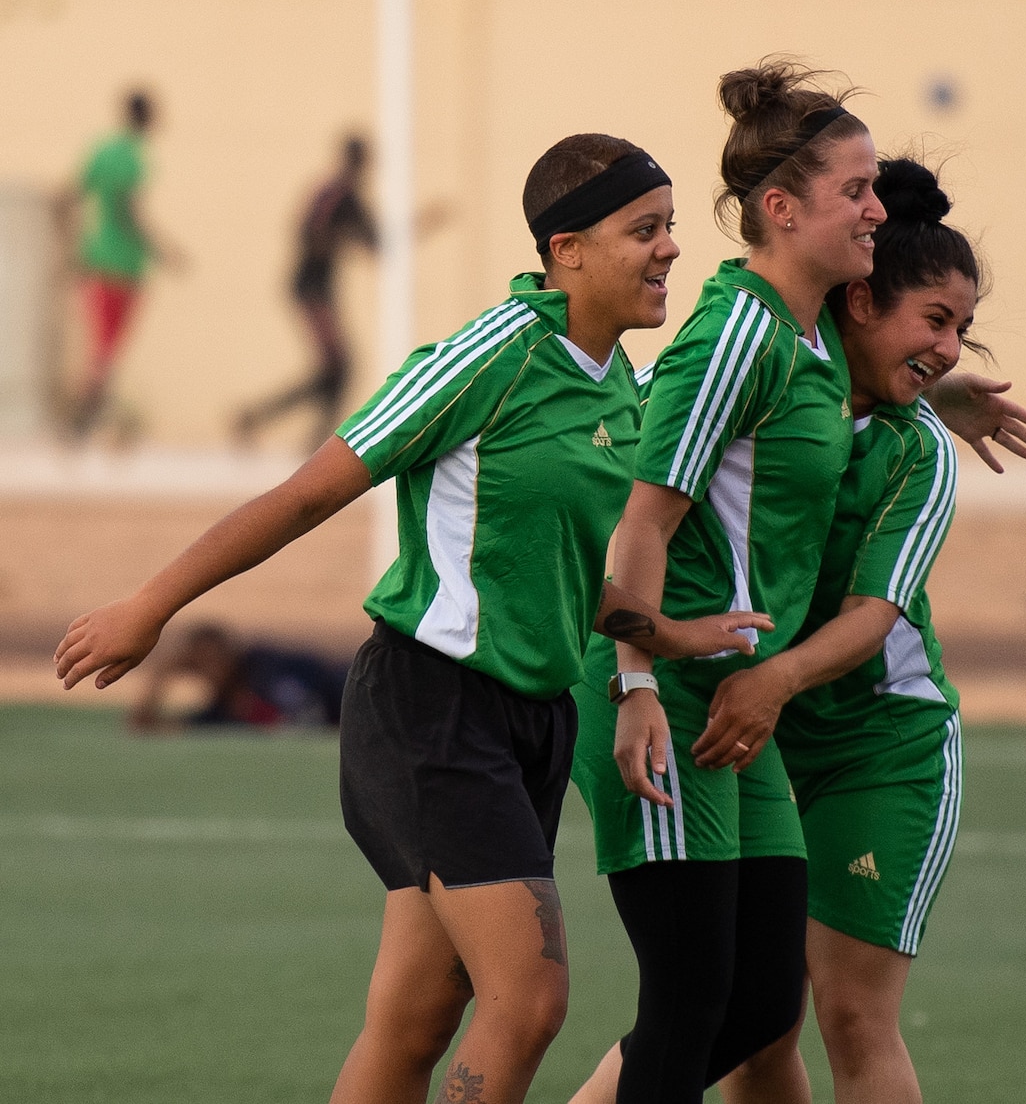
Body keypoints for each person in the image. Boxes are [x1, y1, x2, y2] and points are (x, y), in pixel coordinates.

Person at [55, 131, 774, 1104]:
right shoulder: (492, 355)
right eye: (643, 229)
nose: (669, 250)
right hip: (431, 708)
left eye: (670, 228)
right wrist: (151, 603)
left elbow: (546, 568)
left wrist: (657, 635)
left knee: (413, 1021)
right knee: (528, 998)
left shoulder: (619, 383)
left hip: (533, 721)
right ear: (565, 246)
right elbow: (309, 492)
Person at [568, 65, 1026, 1104]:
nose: (875, 205)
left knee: (761, 1008)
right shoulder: (747, 332)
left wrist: (930, 378)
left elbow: (868, 596)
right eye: (856, 189)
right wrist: (636, 681)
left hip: (801, 718)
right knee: (704, 1001)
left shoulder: (821, 357)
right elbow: (642, 515)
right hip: (681, 692)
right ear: (784, 209)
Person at [702, 156, 981, 1104]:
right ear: (858, 303)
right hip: (766, 740)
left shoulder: (919, 453)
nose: (949, 350)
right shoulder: (778, 390)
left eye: (961, 332)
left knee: (853, 1014)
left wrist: (772, 681)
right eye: (935, 323)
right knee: (753, 1020)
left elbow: (872, 617)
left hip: (879, 747)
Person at [236, 134, 379, 446]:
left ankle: (261, 418)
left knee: (334, 371)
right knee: (338, 369)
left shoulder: (349, 199)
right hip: (311, 287)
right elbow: (310, 236)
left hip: (320, 289)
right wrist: (344, 236)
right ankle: (317, 443)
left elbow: (376, 243)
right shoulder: (333, 194)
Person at [55, 88, 180, 438]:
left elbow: (68, 197)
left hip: (97, 260)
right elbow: (130, 212)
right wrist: (164, 250)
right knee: (106, 351)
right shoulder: (133, 159)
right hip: (123, 266)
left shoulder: (102, 151)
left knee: (104, 350)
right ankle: (81, 421)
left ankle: (88, 420)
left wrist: (72, 250)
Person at [125, 622, 349, 730]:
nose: (211, 670)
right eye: (200, 664)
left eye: (213, 659)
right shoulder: (222, 709)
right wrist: (163, 673)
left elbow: (316, 703)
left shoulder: (267, 667)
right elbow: (144, 725)